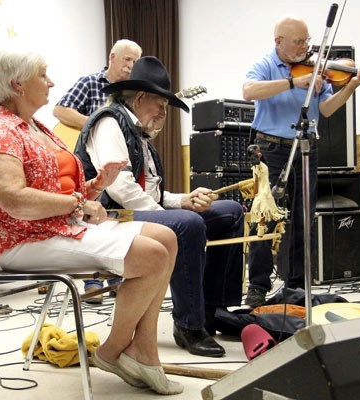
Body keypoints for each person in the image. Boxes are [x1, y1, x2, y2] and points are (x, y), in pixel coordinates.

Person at [0, 44, 182, 395]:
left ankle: (143, 348)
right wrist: (76, 203)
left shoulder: (36, 127)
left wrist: (93, 187)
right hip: (23, 240)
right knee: (153, 255)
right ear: (17, 84)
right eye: (42, 74)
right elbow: (15, 201)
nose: (51, 82)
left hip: (58, 227)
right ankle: (115, 350)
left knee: (167, 237)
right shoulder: (1, 132)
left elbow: (54, 191)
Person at [74, 56, 245, 358]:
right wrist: (174, 215)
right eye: (161, 106)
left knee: (230, 211)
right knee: (186, 224)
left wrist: (184, 200)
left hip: (134, 209)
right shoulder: (109, 122)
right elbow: (121, 188)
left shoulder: (140, 134)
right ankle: (188, 324)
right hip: (108, 217)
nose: (164, 114)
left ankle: (212, 310)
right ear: (140, 98)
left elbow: (150, 191)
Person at [242, 16, 360, 306]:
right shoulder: (266, 64)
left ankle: (296, 284)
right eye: (298, 41)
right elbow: (249, 90)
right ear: (279, 41)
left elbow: (326, 109)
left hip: (305, 146)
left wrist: (350, 87)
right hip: (270, 149)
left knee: (303, 218)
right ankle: (258, 286)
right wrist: (292, 82)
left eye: (307, 39)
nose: (306, 46)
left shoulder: (316, 69)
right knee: (264, 218)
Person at [54, 39, 142, 300]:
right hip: (85, 163)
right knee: (92, 214)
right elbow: (60, 110)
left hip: (112, 163)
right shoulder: (90, 82)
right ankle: (92, 281)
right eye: (127, 59)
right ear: (112, 57)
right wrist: (96, 123)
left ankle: (114, 274)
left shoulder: (129, 94)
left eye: (135, 62)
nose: (130, 65)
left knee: (116, 211)